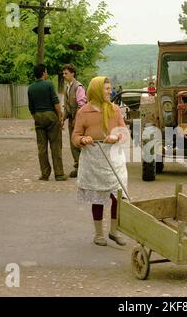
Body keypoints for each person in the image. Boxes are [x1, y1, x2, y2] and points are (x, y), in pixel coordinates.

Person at [72, 76, 130, 246]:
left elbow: (125, 133)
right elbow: (75, 136)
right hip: (94, 158)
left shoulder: (114, 109)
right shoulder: (83, 112)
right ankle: (99, 234)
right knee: (98, 197)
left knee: (117, 196)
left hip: (113, 158)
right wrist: (82, 140)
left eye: (110, 88)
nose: (110, 91)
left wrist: (116, 136)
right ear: (97, 90)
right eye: (106, 89)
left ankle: (114, 231)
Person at [28, 63, 67, 181]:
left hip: (38, 117)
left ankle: (45, 174)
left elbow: (31, 107)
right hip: (51, 116)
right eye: (46, 71)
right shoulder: (49, 85)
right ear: (43, 73)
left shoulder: (31, 88)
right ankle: (59, 174)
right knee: (55, 145)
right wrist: (60, 116)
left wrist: (36, 118)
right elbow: (55, 102)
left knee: (42, 147)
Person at [62, 64, 87, 178]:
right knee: (73, 143)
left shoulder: (78, 87)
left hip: (78, 118)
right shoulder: (67, 87)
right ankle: (78, 166)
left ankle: (82, 167)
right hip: (71, 118)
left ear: (73, 73)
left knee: (78, 143)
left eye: (66, 73)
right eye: (63, 73)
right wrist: (63, 118)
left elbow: (81, 104)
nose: (64, 75)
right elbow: (67, 106)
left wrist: (76, 119)